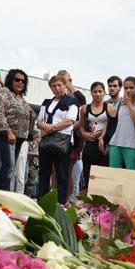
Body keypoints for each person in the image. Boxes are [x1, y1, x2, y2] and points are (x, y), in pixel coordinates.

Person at [37, 75, 78, 204]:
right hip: (46, 141)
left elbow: (70, 120)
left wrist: (52, 127)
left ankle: (60, 204)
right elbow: (39, 121)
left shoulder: (72, 102)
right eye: (54, 86)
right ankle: (41, 202)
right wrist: (46, 127)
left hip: (62, 141)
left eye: (59, 85)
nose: (57, 88)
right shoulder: (46, 102)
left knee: (62, 175)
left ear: (65, 86)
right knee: (44, 174)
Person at [0, 69, 34, 191]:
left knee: (10, 168)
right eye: (17, 79)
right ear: (10, 80)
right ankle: (0, 199)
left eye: (23, 81)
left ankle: (1, 197)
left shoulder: (21, 98)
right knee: (8, 167)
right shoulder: (4, 92)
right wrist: (8, 132)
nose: (20, 82)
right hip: (5, 135)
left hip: (19, 138)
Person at [79, 82, 115, 190]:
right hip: (89, 145)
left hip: (103, 145)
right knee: (88, 174)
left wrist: (100, 135)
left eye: (100, 91)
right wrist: (85, 134)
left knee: (101, 176)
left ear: (104, 93)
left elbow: (112, 125)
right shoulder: (85, 108)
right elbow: (81, 126)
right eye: (95, 92)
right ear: (91, 93)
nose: (98, 94)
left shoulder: (109, 107)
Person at [109, 76, 135, 170]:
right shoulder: (121, 103)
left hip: (132, 145)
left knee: (130, 175)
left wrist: (129, 104)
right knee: (113, 173)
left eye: (131, 88)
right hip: (115, 143)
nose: (128, 90)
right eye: (126, 88)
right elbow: (113, 115)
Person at [58, 70, 85, 200]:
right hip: (58, 139)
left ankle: (66, 201)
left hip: (73, 140)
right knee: (56, 172)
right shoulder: (59, 97)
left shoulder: (78, 96)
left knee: (68, 173)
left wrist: (68, 127)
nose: (63, 84)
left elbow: (83, 118)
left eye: (66, 80)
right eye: (61, 81)